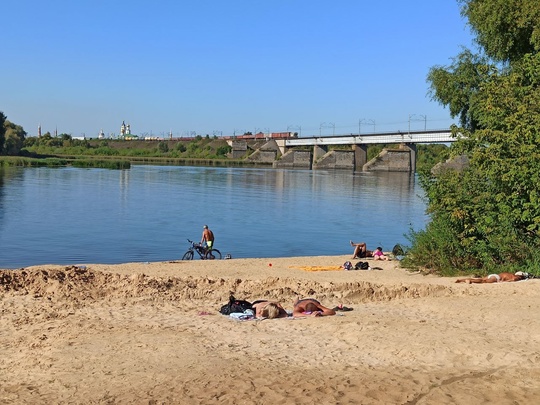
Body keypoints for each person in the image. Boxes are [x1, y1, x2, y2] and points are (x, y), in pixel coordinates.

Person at [455, 271, 529, 284]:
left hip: (494, 275)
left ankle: (461, 280)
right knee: (483, 281)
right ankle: (470, 281)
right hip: (496, 278)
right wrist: (504, 282)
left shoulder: (510, 273)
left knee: (481, 279)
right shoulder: (515, 277)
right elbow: (513, 279)